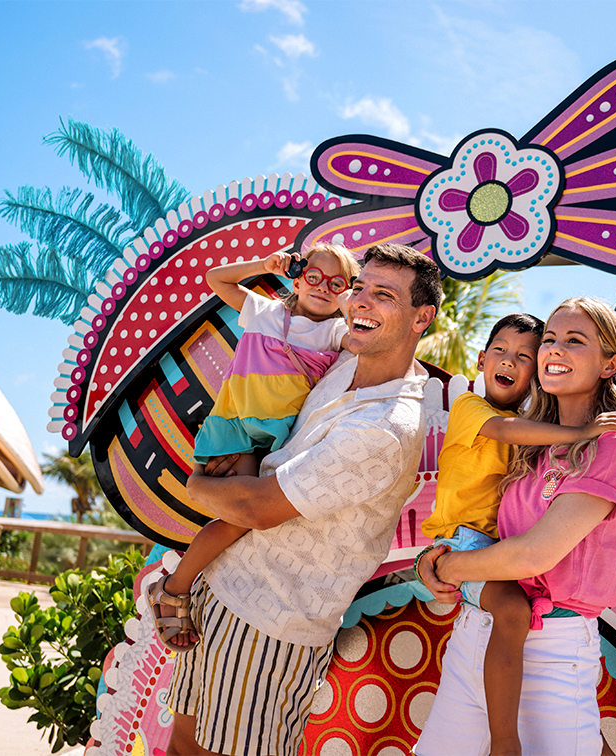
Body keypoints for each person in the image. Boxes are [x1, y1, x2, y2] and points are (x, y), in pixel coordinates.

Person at [166, 243, 441, 756]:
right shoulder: (346, 363)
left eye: (384, 295)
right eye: (360, 288)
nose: (362, 301)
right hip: (224, 586)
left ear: (421, 318)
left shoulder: (384, 426)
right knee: (182, 746)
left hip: (271, 621)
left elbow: (257, 509)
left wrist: (198, 485)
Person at [415, 297, 616, 756]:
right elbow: (485, 528)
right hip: (475, 636)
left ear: (610, 364)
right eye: (551, 340)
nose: (555, 350)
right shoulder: (531, 442)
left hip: (551, 649)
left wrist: (448, 567)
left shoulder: (614, 441)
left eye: (575, 341)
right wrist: (433, 557)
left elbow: (532, 555)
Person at [148, 241, 359, 652]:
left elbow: (364, 340)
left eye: (336, 284)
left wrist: (351, 301)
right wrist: (265, 264)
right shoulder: (266, 313)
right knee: (241, 520)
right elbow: (216, 279)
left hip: (277, 445)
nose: (322, 287)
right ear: (296, 278)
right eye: (313, 276)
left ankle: (189, 582)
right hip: (235, 432)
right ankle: (173, 588)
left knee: (256, 520)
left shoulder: (335, 333)